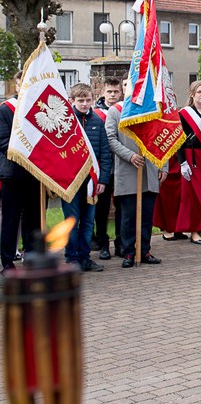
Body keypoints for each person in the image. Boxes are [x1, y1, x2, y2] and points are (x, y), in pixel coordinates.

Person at [105, 91, 166, 268]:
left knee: (147, 215)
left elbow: (163, 138)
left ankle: (145, 250)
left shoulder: (153, 109)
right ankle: (129, 252)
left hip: (151, 168)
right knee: (128, 216)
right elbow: (111, 139)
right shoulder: (115, 111)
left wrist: (164, 166)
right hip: (128, 168)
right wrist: (130, 156)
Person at [62, 84, 112, 271]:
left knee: (88, 222)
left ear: (92, 100)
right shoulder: (66, 122)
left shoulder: (98, 122)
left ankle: (85, 257)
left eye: (87, 100)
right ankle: (71, 258)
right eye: (80, 101)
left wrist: (104, 180)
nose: (84, 104)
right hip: (70, 181)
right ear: (72, 101)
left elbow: (105, 153)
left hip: (92, 181)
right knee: (71, 221)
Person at [0, 72, 42, 273]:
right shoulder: (5, 110)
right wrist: (29, 152)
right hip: (13, 173)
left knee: (33, 218)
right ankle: (7, 262)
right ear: (16, 86)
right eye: (20, 84)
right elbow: (2, 142)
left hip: (35, 173)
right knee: (11, 219)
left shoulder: (38, 109)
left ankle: (31, 256)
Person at [176, 81, 201, 244]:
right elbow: (179, 140)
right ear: (192, 94)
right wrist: (182, 163)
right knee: (192, 195)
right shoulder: (185, 114)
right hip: (192, 158)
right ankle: (193, 231)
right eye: (199, 92)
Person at [92, 76, 123, 260]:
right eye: (109, 92)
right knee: (101, 209)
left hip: (121, 166)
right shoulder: (95, 114)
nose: (112, 95)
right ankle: (103, 244)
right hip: (103, 169)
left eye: (116, 91)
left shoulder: (124, 111)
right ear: (103, 92)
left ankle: (121, 243)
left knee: (122, 208)